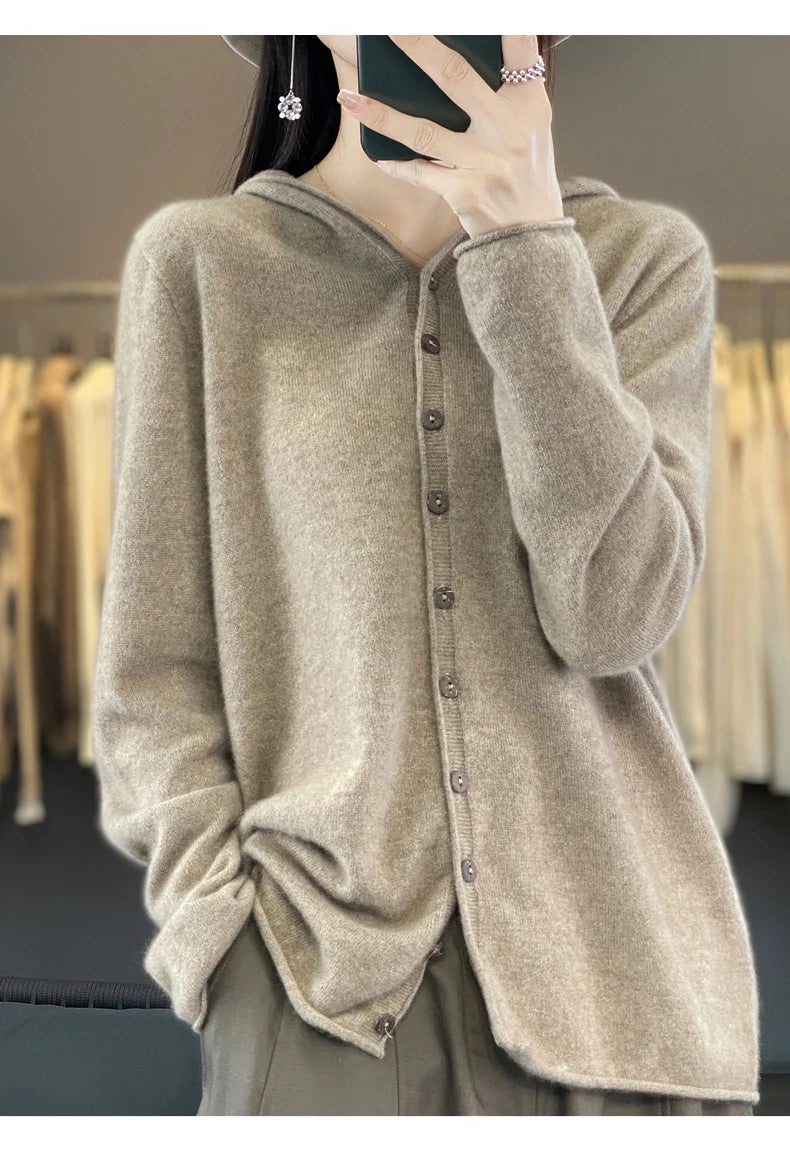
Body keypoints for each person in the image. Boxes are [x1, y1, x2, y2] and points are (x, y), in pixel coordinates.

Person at [92, 34, 760, 1115]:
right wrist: (216, 930)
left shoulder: (641, 261)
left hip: (613, 992)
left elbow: (613, 616)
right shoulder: (203, 266)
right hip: (311, 983)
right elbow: (153, 669)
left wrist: (526, 248)